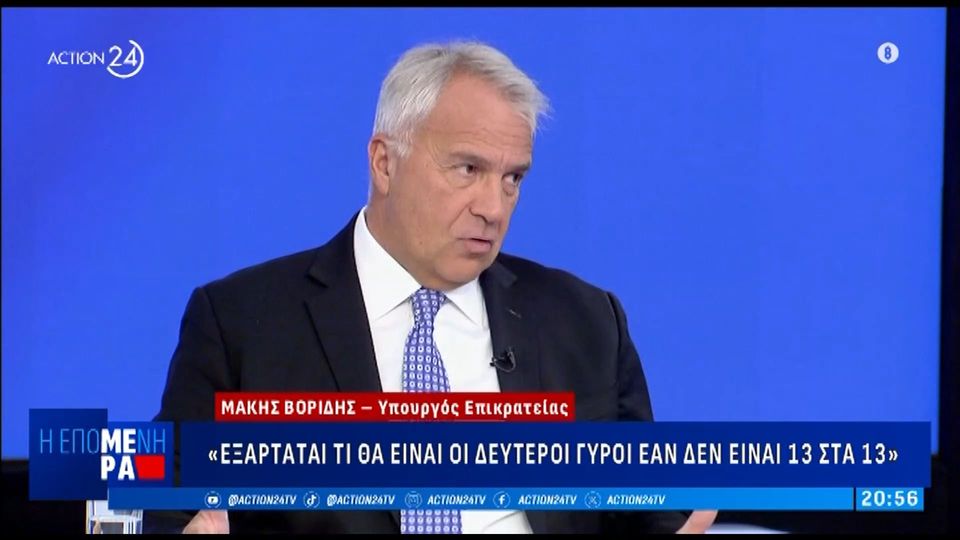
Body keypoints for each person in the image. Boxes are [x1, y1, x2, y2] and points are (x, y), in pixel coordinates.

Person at [147, 40, 718, 534]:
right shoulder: (242, 324)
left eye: (513, 178)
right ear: (384, 163)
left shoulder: (587, 321)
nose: (494, 207)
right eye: (468, 169)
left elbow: (641, 511)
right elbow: (166, 508)